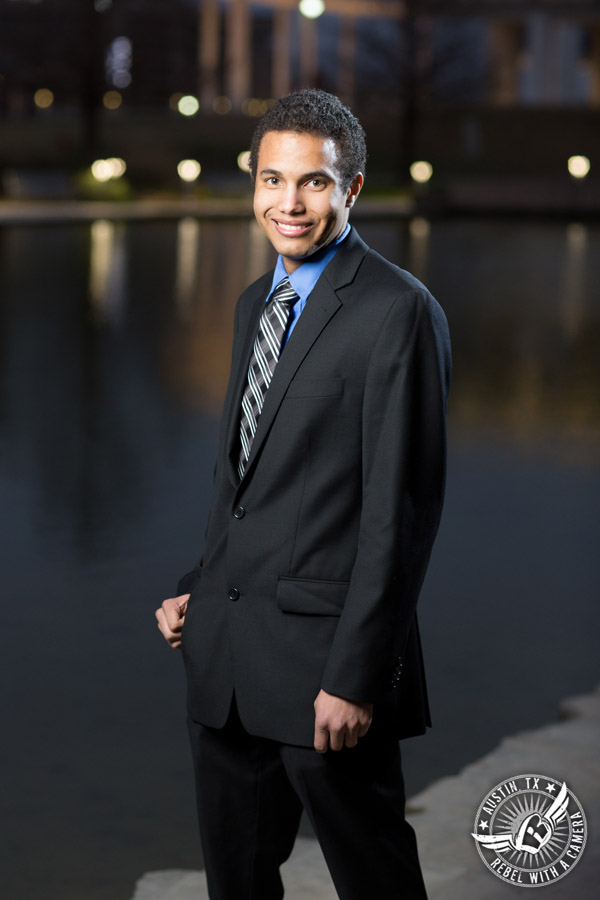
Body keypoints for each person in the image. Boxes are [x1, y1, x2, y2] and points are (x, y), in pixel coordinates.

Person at [156, 89, 451, 900]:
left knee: (375, 880)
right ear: (252, 183)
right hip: (226, 660)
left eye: (314, 183)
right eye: (271, 179)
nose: (289, 203)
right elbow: (248, 481)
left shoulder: (400, 313)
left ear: (351, 189)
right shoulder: (259, 303)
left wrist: (357, 676)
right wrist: (198, 588)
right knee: (237, 884)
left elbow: (402, 514)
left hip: (325, 675)